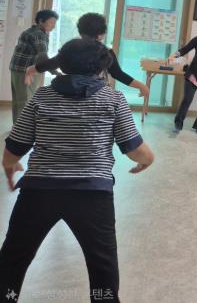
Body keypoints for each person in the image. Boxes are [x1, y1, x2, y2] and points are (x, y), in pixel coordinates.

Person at [0, 38, 155, 303]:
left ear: (63, 64)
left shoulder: (42, 96)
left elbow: (14, 149)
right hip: (92, 194)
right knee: (102, 265)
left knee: (13, 258)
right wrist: (147, 160)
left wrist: (10, 165)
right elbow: (136, 151)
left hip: (39, 191)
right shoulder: (113, 98)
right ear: (102, 69)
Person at [25, 12, 149, 98]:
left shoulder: (69, 48)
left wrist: (31, 70)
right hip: (95, 93)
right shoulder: (105, 52)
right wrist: (141, 86)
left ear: (80, 31)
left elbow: (51, 63)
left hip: (65, 89)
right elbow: (118, 74)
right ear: (101, 35)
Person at [8, 9, 58, 123]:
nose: (53, 26)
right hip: (26, 72)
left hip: (16, 69)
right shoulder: (38, 34)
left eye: (55, 23)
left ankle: (17, 126)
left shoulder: (30, 31)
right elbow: (42, 57)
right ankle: (21, 129)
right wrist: (55, 72)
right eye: (51, 22)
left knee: (18, 100)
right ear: (41, 21)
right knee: (26, 101)